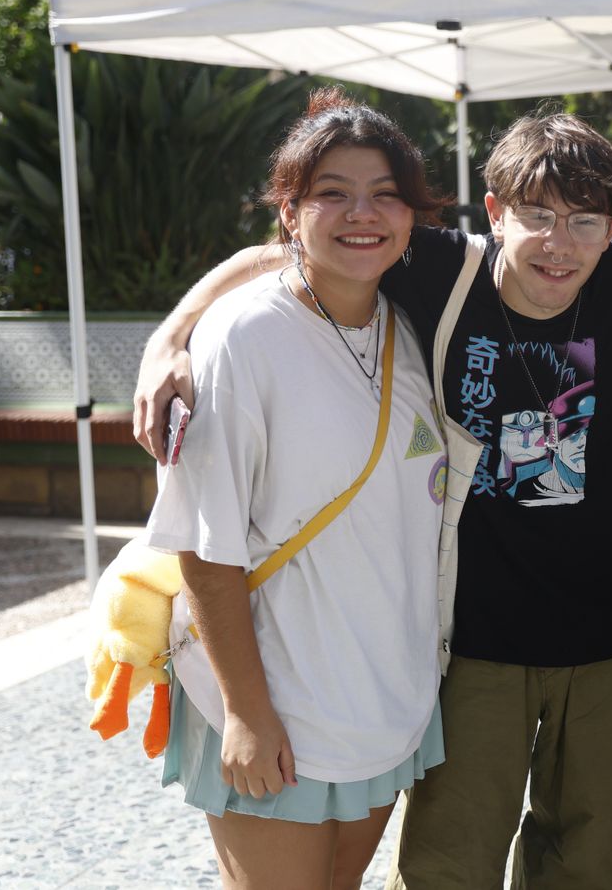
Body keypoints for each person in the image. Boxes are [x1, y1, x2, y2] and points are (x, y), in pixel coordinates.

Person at [134, 111, 612, 889]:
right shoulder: (434, 268)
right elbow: (281, 251)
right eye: (535, 216)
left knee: (606, 859)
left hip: (606, 638)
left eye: (584, 222)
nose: (559, 243)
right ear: (494, 214)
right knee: (445, 868)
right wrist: (171, 336)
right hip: (472, 646)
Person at [143, 87, 448, 889]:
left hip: (386, 699)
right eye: (332, 194)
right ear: (290, 209)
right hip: (276, 702)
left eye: (386, 194)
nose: (364, 214)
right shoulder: (242, 336)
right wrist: (247, 711)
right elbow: (205, 545)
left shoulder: (409, 323)